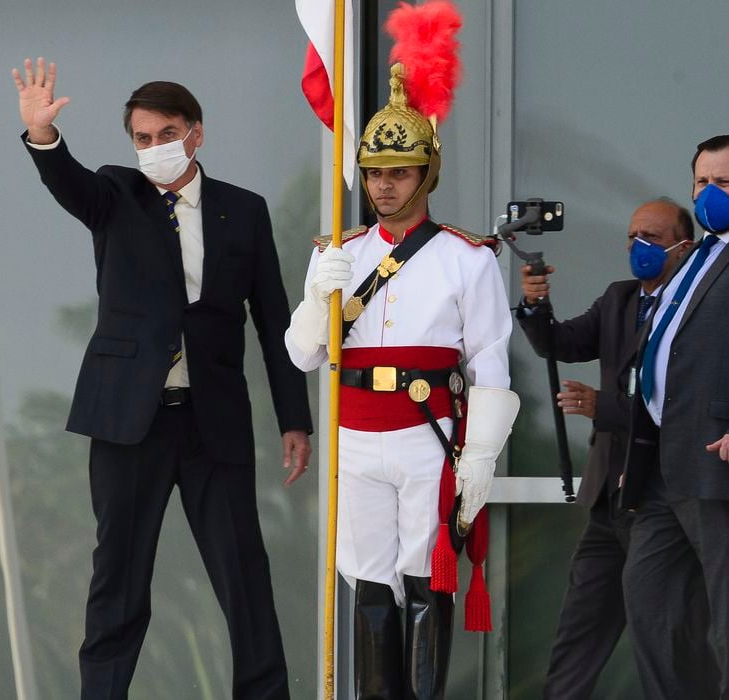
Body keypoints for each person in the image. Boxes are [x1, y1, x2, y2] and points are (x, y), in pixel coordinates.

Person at [11, 57, 313, 699]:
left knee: (244, 575)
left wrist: (294, 419)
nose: (155, 148)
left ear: (196, 132)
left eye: (167, 134)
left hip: (214, 422)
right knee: (118, 578)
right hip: (129, 420)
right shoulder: (115, 195)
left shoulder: (244, 211)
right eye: (143, 138)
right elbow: (67, 182)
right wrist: (42, 135)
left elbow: (275, 322)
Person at [284, 62, 518, 698]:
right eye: (374, 172)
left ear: (426, 174)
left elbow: (491, 362)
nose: (383, 186)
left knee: (423, 576)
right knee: (368, 579)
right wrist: (318, 297)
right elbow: (303, 355)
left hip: (426, 434)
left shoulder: (467, 258)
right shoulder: (337, 252)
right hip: (356, 435)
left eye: (399, 172)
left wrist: (480, 457)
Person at [516, 199, 717, 699]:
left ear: (684, 246)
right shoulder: (619, 298)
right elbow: (560, 344)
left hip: (663, 497)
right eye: (632, 236)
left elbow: (680, 408)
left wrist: (603, 406)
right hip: (611, 497)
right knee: (579, 628)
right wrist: (536, 306)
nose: (638, 246)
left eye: (652, 237)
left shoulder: (698, 311)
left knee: (667, 633)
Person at [621, 134, 729, 699]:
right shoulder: (696, 257)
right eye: (702, 182)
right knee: (651, 601)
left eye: (725, 182)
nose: (710, 192)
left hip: (717, 462)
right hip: (665, 464)